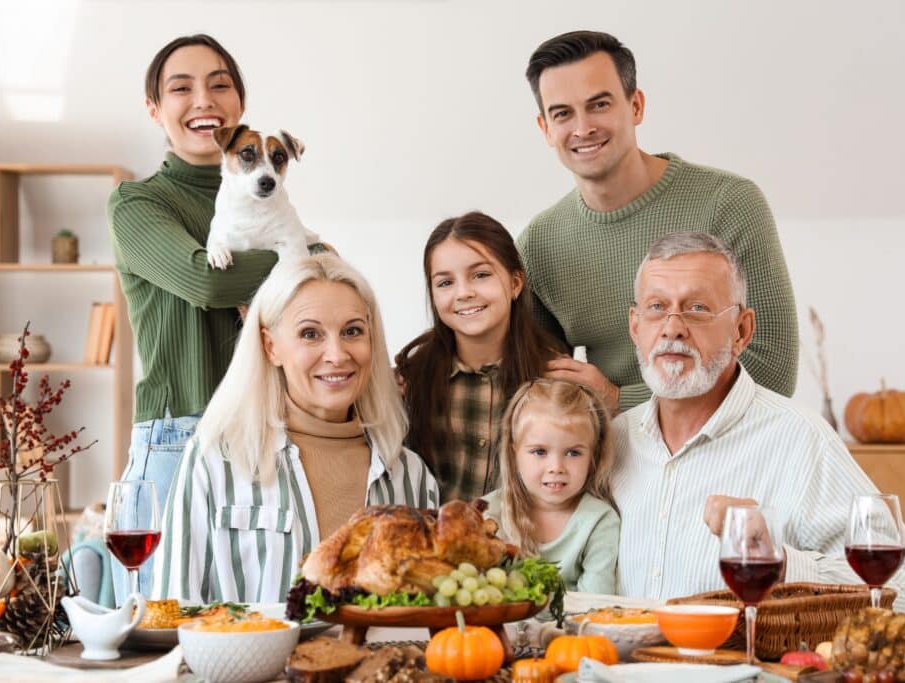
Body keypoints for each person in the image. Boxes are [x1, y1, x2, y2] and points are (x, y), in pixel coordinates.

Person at [611, 231, 905, 623]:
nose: (672, 328)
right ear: (635, 326)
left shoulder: (799, 439)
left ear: (742, 331)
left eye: (697, 308)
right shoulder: (611, 442)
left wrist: (780, 565)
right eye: (656, 307)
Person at [517, 30, 798, 413]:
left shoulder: (729, 203)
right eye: (562, 113)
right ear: (545, 129)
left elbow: (772, 370)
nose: (583, 128)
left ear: (636, 106)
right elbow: (544, 393)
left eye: (599, 105)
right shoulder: (538, 244)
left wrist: (619, 400)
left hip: (727, 447)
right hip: (612, 459)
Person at [152, 254, 440, 603]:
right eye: (310, 334)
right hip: (250, 660)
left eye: (352, 331)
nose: (336, 354)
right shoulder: (216, 459)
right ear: (271, 346)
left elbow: (427, 617)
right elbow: (171, 612)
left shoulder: (410, 476)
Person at [108, 34, 280, 600]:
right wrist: (294, 261)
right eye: (181, 88)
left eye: (220, 84)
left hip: (263, 435)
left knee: (253, 629)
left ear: (239, 106)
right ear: (155, 109)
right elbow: (204, 280)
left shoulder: (263, 197)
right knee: (162, 629)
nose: (204, 99)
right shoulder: (139, 204)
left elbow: (323, 294)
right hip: (177, 437)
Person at [396, 212, 564, 502]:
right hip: (431, 543)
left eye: (481, 275)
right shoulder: (410, 381)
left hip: (523, 545)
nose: (463, 293)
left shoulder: (554, 380)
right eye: (445, 283)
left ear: (515, 283)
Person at [482, 379, 619, 594]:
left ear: (593, 457)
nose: (556, 467)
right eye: (539, 452)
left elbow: (595, 606)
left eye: (573, 453)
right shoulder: (488, 513)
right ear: (514, 453)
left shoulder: (599, 520)